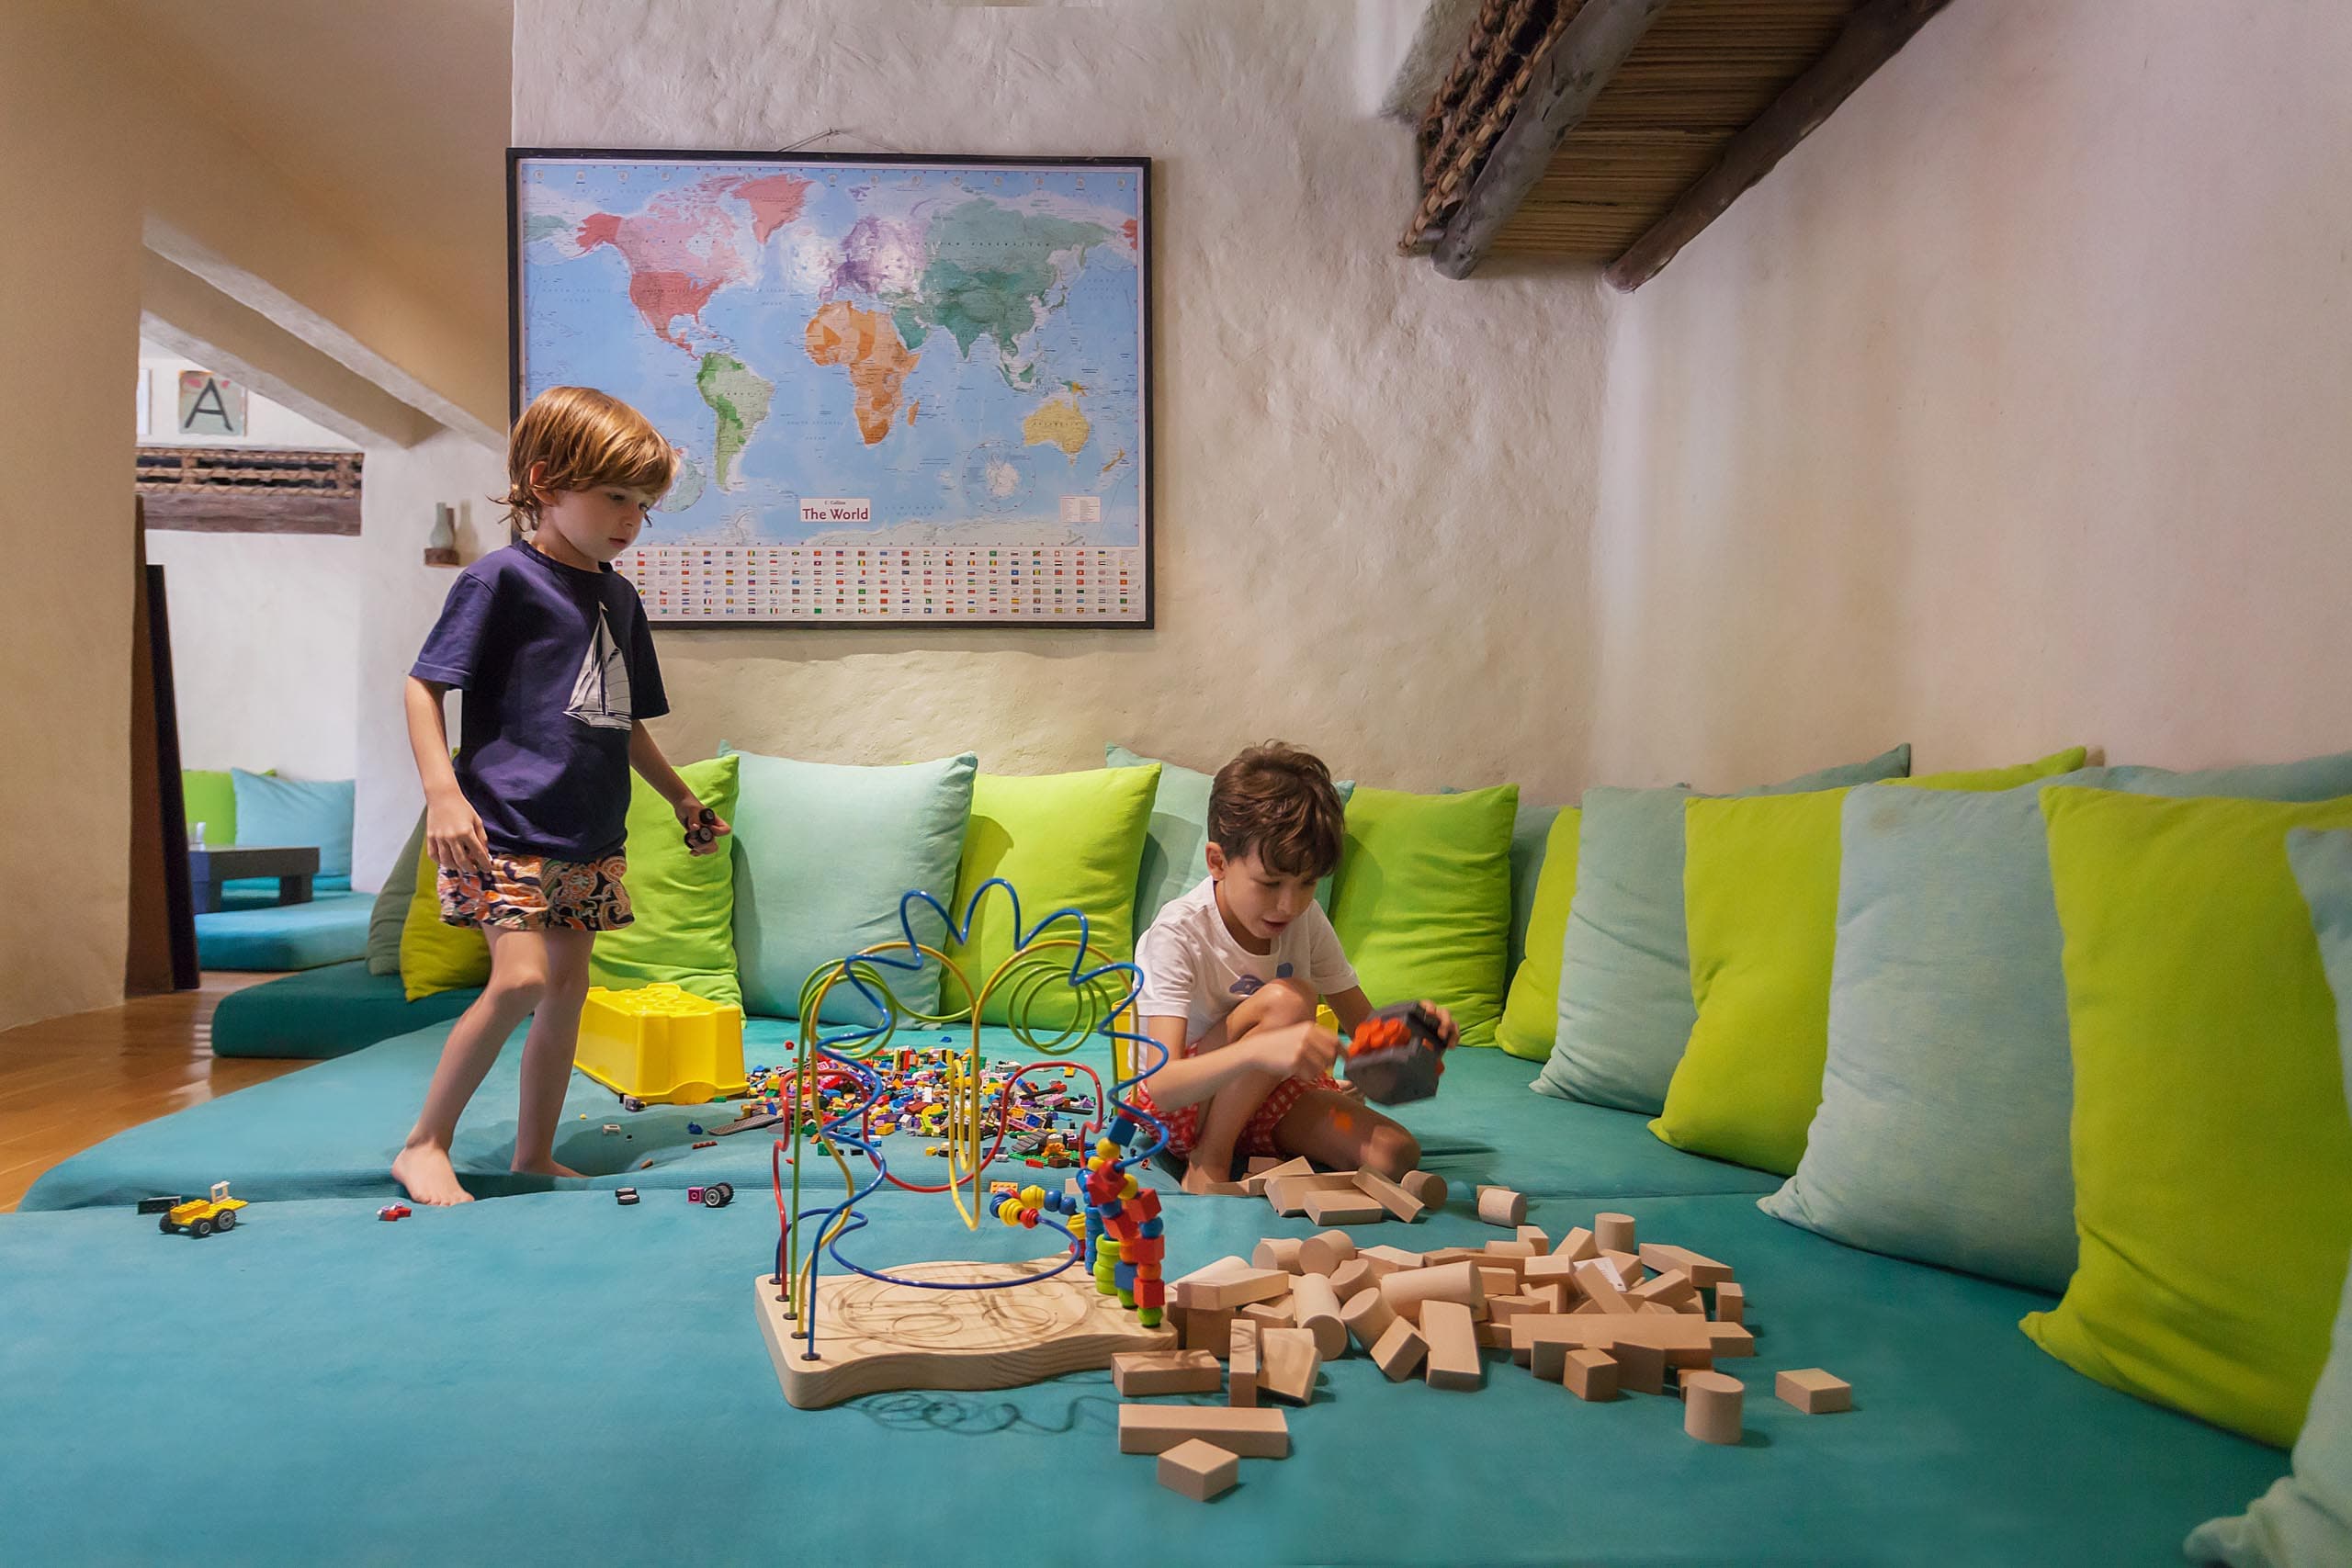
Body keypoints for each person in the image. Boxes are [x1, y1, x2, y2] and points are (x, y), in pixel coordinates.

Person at [390, 386, 729, 1206]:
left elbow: (621, 720)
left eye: (643, 505)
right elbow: (423, 686)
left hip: (590, 834)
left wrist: (682, 799)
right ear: (544, 481)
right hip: (504, 826)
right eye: (614, 496)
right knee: (521, 981)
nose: (630, 519)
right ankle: (423, 1143)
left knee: (568, 992)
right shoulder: (499, 579)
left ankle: (534, 1153)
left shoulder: (619, 596)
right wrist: (443, 794)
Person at [1128, 742, 1456, 1191]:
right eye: (1270, 883)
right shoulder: (1178, 933)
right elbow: (1162, 1087)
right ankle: (1210, 1159)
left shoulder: (1305, 919)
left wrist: (1416, 1035)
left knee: (1395, 1154)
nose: (1289, 904)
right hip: (1185, 1104)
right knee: (1291, 999)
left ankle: (1242, 1141)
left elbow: (1365, 1032)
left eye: (1307, 883)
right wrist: (1260, 1051)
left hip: (1268, 1093)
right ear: (1218, 862)